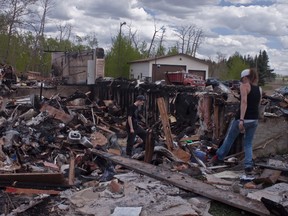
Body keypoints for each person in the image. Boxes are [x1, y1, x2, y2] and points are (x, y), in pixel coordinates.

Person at [210, 68, 262, 175]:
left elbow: (244, 102)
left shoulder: (244, 86)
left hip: (243, 119)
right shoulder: (259, 89)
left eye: (242, 78)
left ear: (246, 77)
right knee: (248, 143)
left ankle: (219, 157)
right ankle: (248, 166)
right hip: (254, 120)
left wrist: (241, 120)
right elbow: (258, 105)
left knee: (230, 138)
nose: (241, 81)